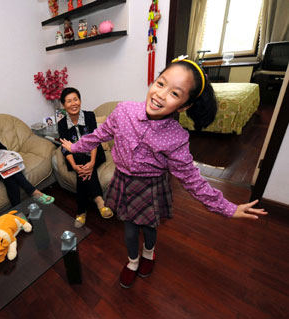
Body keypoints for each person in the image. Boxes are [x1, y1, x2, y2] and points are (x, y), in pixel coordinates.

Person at [61, 57, 268, 288]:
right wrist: (76, 147)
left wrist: (229, 208)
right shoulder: (123, 111)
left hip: (150, 186)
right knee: (129, 231)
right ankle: (132, 261)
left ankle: (149, 253)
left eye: (175, 93)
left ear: (185, 106)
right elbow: (99, 135)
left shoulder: (177, 137)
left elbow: (193, 181)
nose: (160, 94)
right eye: (161, 83)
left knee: (149, 228)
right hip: (124, 181)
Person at [58, 87, 114, 228]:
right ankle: (99, 200)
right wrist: (76, 167)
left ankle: (81, 211)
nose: (73, 103)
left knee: (84, 162)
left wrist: (92, 162)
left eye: (75, 99)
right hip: (75, 157)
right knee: (80, 161)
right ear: (64, 105)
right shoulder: (61, 124)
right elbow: (66, 147)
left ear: (80, 101)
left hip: (95, 153)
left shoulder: (89, 116)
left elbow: (94, 141)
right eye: (69, 101)